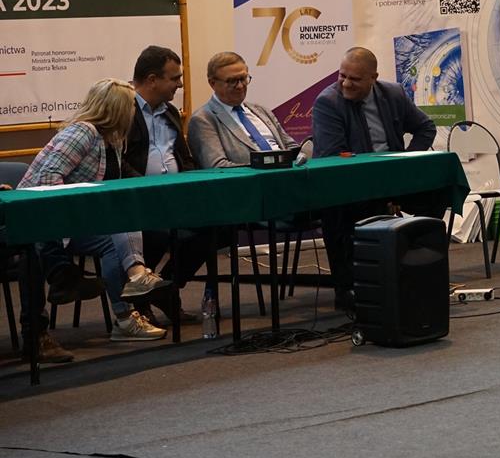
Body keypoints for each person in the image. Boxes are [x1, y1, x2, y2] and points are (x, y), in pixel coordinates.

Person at [18, 78, 172, 358]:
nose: (133, 112)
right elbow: (48, 179)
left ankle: (125, 318)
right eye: (129, 106)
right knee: (119, 223)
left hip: (74, 220)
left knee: (117, 238)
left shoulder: (112, 139)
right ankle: (136, 277)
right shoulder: (82, 132)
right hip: (41, 219)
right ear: (116, 109)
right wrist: (80, 210)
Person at [311, 46, 438, 311]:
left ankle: (417, 273)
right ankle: (348, 289)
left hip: (394, 178)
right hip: (352, 184)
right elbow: (333, 157)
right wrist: (378, 183)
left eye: (355, 79)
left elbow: (425, 127)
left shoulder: (394, 93)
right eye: (342, 75)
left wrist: (406, 162)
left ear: (374, 78)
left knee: (435, 195)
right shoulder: (328, 102)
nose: (346, 83)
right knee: (338, 209)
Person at [124, 45, 215, 323]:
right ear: (152, 80)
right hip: (137, 198)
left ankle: (165, 287)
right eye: (175, 78)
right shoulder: (124, 111)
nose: (180, 84)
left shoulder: (171, 112)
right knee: (157, 232)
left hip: (175, 196)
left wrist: (191, 185)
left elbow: (184, 157)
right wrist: (148, 188)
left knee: (216, 226)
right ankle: (141, 300)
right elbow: (116, 161)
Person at [188, 51, 296, 168]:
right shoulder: (203, 119)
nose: (240, 86)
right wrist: (269, 164)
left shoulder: (261, 111)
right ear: (212, 83)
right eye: (232, 81)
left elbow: (292, 147)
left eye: (243, 78)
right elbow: (218, 167)